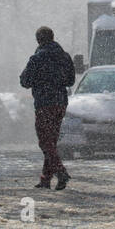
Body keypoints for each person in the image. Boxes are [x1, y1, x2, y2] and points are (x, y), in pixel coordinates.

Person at [19, 26, 76, 189]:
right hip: (60, 103)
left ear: (38, 40)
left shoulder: (37, 58)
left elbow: (24, 81)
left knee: (45, 142)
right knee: (51, 141)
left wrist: (40, 80)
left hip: (44, 103)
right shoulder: (64, 57)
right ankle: (45, 179)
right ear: (52, 37)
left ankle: (61, 171)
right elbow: (70, 81)